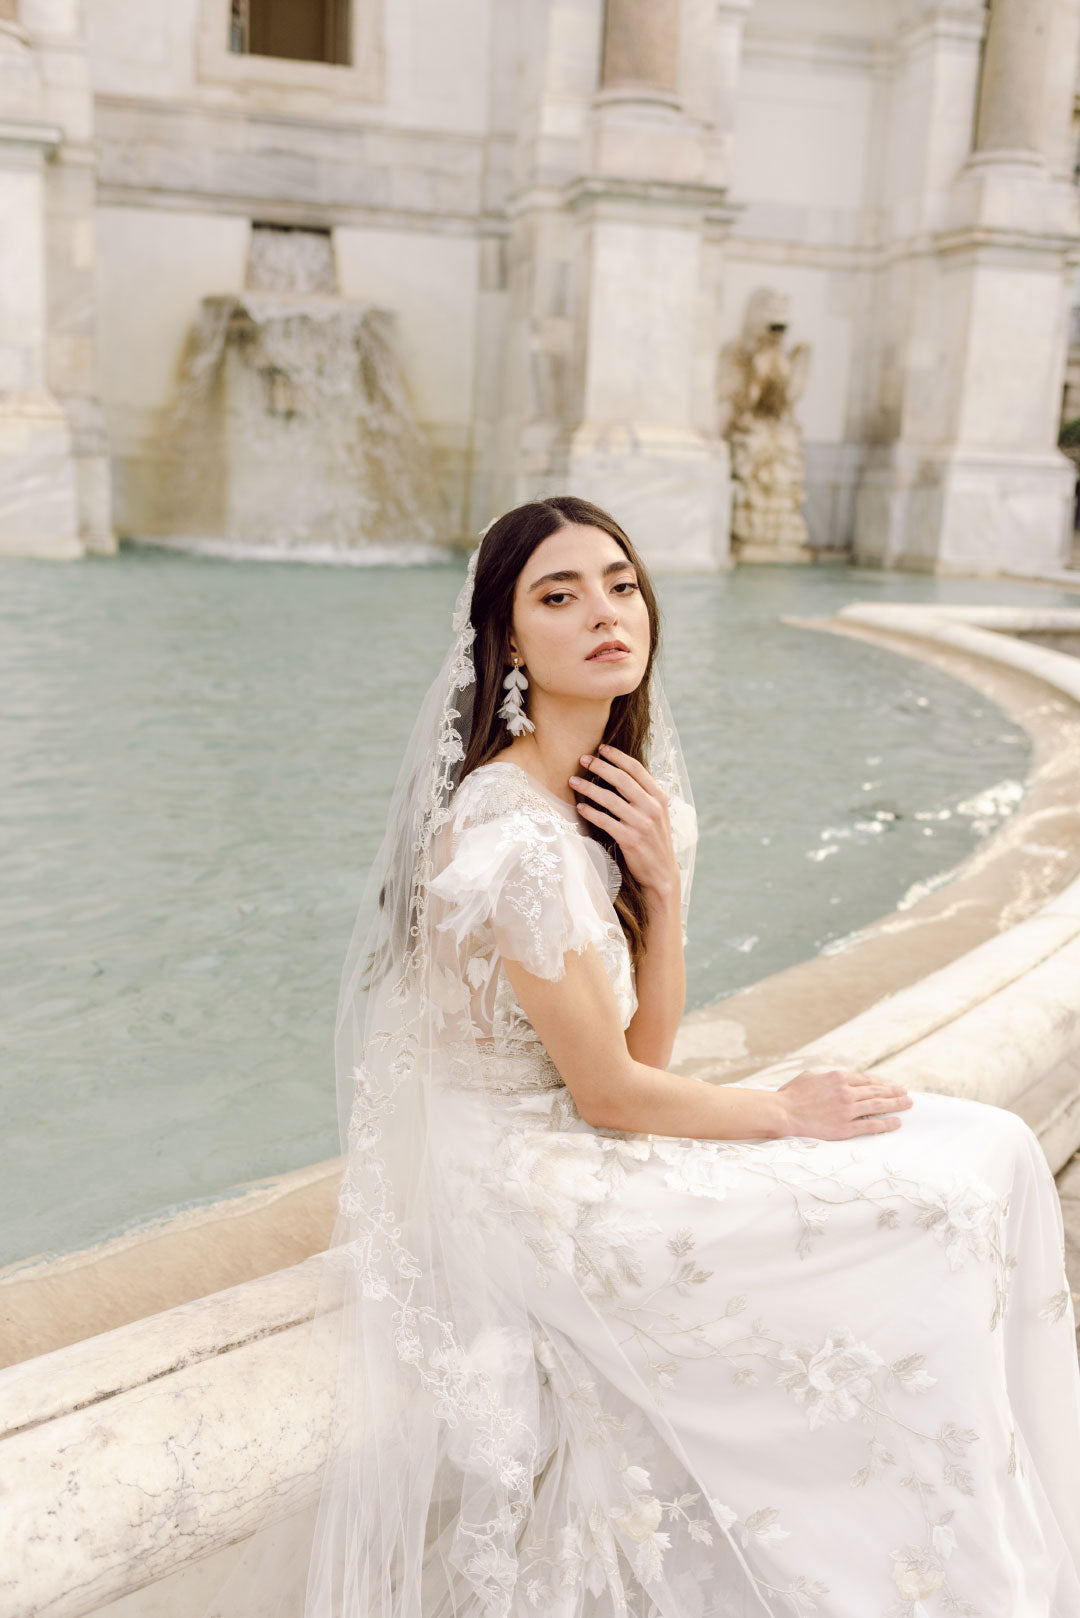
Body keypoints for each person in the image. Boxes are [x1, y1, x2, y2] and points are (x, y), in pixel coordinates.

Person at [211, 497, 1080, 1618]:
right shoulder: (504, 831)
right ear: (507, 642)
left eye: (620, 583)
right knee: (929, 1201)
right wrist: (786, 1108)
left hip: (584, 1129)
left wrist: (662, 894)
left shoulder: (629, 803)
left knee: (995, 1144)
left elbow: (638, 1054)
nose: (605, 613)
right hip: (511, 1173)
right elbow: (614, 1095)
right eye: (558, 595)